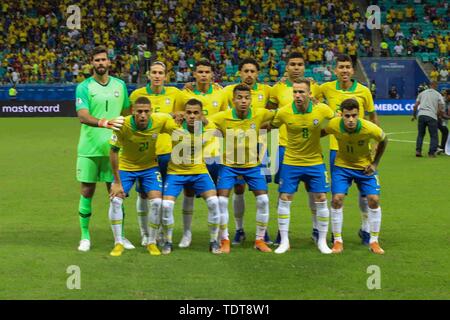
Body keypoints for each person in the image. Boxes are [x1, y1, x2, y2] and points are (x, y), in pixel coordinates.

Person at [108, 96, 182, 257]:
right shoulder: (122, 125)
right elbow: (113, 152)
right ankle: (118, 242)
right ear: (133, 111)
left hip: (149, 167)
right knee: (115, 200)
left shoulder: (159, 120)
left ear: (151, 112)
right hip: (126, 167)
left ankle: (152, 242)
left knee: (156, 202)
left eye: (146, 111)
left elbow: (178, 130)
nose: (142, 115)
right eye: (139, 111)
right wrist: (116, 181)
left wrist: (181, 119)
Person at [318, 54, 379, 246]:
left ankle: (366, 228)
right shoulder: (326, 88)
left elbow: (372, 116)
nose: (344, 70)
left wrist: (375, 146)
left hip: (362, 150)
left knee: (365, 194)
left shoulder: (363, 91)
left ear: (352, 70)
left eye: (347, 67)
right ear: (335, 70)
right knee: (337, 195)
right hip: (337, 150)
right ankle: (336, 236)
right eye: (341, 67)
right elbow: (311, 98)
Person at [75, 45, 131, 252]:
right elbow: (83, 115)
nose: (100, 63)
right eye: (96, 60)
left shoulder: (120, 85)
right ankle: (85, 236)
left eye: (103, 60)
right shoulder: (84, 87)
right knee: (87, 190)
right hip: (89, 147)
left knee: (116, 192)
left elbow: (127, 111)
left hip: (113, 148)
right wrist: (104, 123)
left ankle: (120, 237)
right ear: (92, 63)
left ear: (109, 62)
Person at [270, 79, 335, 254]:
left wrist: (323, 132)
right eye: (295, 92)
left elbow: (336, 121)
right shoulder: (284, 112)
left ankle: (322, 241)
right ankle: (284, 241)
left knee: (321, 198)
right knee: (285, 198)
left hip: (315, 162)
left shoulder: (321, 109)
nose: (298, 95)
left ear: (310, 94)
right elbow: (271, 125)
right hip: (291, 162)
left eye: (301, 92)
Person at [209, 84, 275, 253]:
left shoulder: (260, 113)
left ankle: (260, 240)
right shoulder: (222, 117)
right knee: (221, 200)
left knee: (263, 200)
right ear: (233, 100)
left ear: (251, 100)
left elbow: (279, 115)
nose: (243, 101)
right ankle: (225, 239)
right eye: (240, 98)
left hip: (253, 165)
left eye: (246, 98)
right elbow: (205, 122)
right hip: (229, 165)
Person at [268, 52, 321, 245]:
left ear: (304, 67)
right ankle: (282, 234)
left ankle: (317, 229)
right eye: (292, 64)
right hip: (284, 147)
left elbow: (323, 109)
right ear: (287, 67)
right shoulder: (277, 89)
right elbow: (270, 111)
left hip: (309, 149)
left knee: (313, 190)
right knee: (283, 192)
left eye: (300, 64)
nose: (296, 67)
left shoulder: (315, 87)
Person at [323, 98, 388, 255]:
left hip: (364, 168)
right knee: (337, 199)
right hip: (342, 167)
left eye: (354, 115)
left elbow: (384, 139)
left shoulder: (368, 128)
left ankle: (374, 241)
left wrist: (375, 163)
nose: (351, 120)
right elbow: (319, 133)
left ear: (358, 114)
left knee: (374, 199)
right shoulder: (333, 124)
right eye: (347, 116)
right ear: (341, 115)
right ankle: (338, 240)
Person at [174, 59, 228, 248]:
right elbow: (177, 117)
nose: (204, 75)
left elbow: (224, 120)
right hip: (192, 152)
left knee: (218, 196)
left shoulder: (222, 93)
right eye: (200, 72)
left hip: (214, 151)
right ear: (194, 74)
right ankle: (187, 234)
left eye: (207, 71)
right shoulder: (184, 93)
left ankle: (220, 236)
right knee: (188, 193)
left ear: (212, 74)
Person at [129, 61, 182, 246]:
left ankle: (158, 232)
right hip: (144, 154)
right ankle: (144, 233)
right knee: (143, 194)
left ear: (166, 76)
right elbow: (129, 120)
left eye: (161, 72)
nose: (158, 76)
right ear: (148, 75)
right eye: (154, 72)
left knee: (163, 196)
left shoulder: (175, 93)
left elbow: (191, 104)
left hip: (167, 152)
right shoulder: (137, 95)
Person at [161, 99, 221, 255]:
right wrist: (173, 114)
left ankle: (214, 241)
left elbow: (212, 125)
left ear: (201, 114)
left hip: (199, 171)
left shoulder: (208, 129)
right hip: (176, 173)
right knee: (166, 206)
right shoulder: (174, 127)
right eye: (189, 112)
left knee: (214, 202)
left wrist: (205, 120)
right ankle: (168, 241)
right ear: (184, 114)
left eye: (196, 113)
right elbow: (156, 118)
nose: (192, 116)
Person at [222, 57, 272, 245]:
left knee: (262, 191)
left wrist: (259, 129)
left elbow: (274, 116)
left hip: (260, 148)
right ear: (240, 73)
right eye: (246, 71)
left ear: (257, 74)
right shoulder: (228, 91)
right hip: (235, 147)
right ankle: (239, 229)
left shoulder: (267, 90)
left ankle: (263, 231)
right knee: (239, 188)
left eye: (253, 71)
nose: (249, 74)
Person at [412, 81, 446, 157]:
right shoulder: (438, 95)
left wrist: (414, 115)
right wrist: (437, 115)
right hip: (431, 116)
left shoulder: (422, 93)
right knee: (434, 135)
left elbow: (415, 106)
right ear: (436, 86)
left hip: (421, 115)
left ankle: (418, 151)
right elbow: (441, 107)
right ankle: (431, 153)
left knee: (420, 134)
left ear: (429, 85)